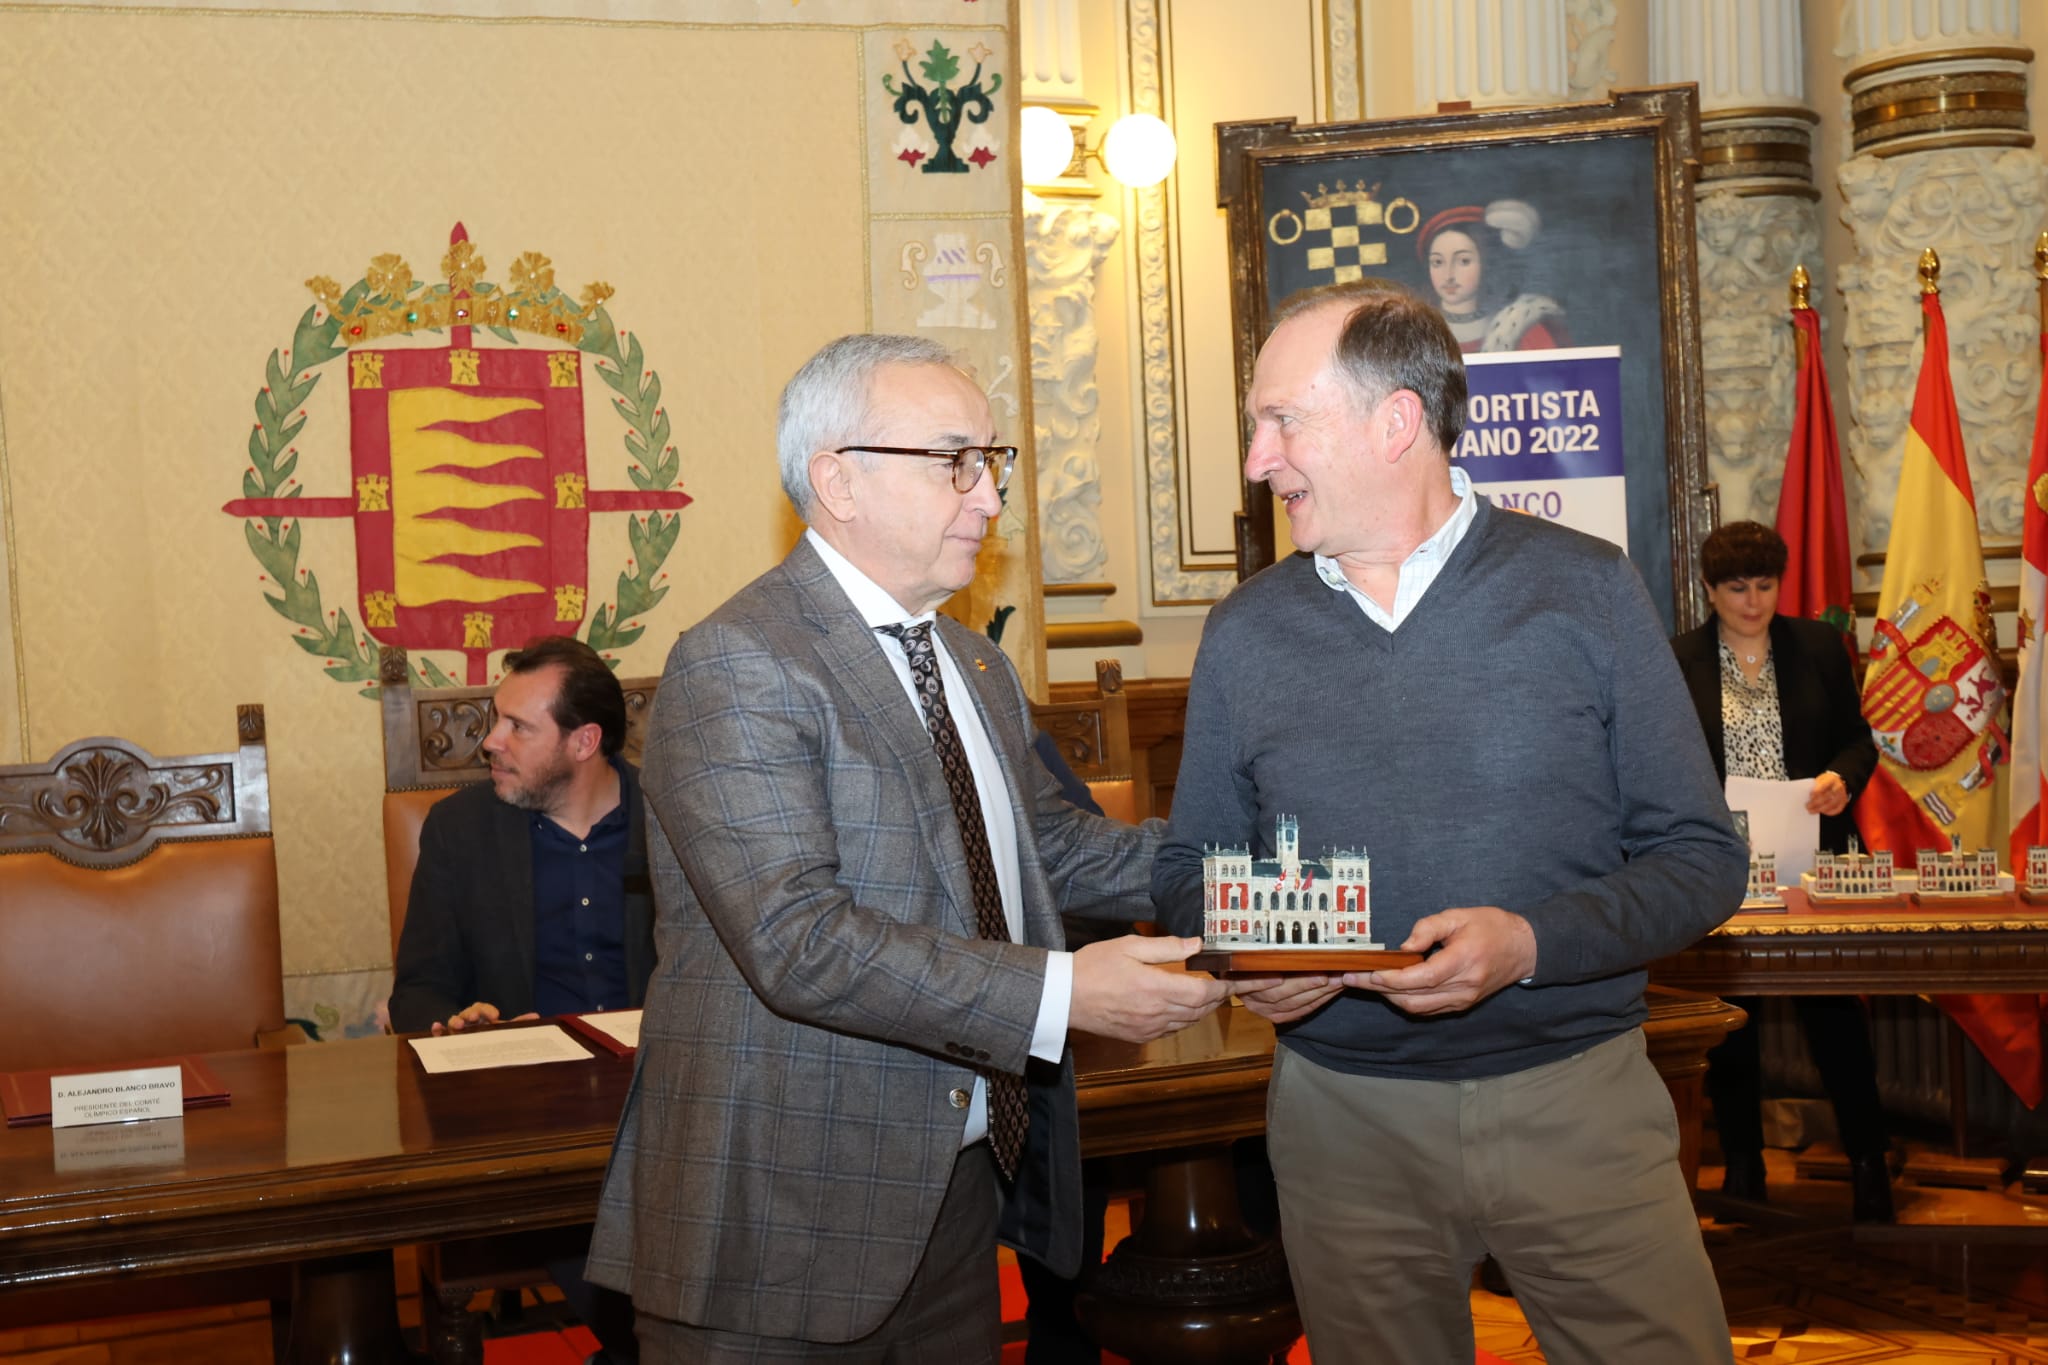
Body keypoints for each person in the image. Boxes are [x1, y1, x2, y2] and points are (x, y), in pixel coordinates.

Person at [585, 333, 1230, 1363]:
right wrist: (1063, 994)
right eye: (954, 461)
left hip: (948, 1199)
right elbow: (800, 942)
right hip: (777, 1216)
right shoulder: (737, 662)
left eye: (992, 461)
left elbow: (1049, 849)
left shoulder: (972, 662)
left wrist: (1247, 874)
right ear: (837, 480)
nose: (990, 497)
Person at [1152, 280, 1746, 1365]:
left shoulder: (1586, 591)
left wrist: (1529, 943)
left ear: (1395, 422)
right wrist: (1259, 954)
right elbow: (1191, 865)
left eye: (1281, 421)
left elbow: (1701, 860)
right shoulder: (1244, 633)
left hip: (1579, 1105)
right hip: (1340, 1125)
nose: (1256, 459)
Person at [388, 633, 653, 1365]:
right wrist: (458, 1025)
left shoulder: (671, 818)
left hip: (662, 1100)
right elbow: (418, 989)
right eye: (493, 719)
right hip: (531, 1122)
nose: (490, 741)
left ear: (584, 741)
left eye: (516, 726)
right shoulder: (461, 831)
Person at [1671, 520, 1892, 1222]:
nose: (1752, 601)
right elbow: (1665, 760)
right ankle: (1744, 1167)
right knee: (1736, 1022)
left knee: (1835, 1021)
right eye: (1737, 588)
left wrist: (1841, 779)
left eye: (1765, 586)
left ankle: (1868, 1164)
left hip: (1811, 863)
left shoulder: (1817, 648)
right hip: (1723, 867)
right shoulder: (1679, 660)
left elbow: (1859, 740)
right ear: (1710, 590)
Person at [1418, 200, 1565, 353]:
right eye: (1437, 262)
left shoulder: (1522, 330)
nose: (1448, 275)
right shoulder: (1414, 333)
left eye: (1464, 261)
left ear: (1486, 263)